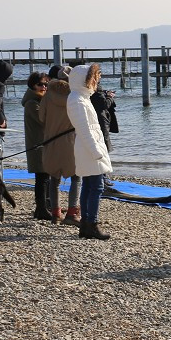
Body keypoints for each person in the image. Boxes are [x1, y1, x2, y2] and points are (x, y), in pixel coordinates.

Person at [66, 63, 112, 240]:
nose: (97, 79)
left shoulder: (82, 97)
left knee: (89, 185)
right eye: (95, 76)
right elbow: (84, 129)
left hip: (89, 148)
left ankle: (86, 224)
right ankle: (91, 223)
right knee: (96, 187)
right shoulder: (78, 99)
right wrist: (96, 152)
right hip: (89, 148)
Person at [40, 65, 81, 225]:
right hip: (72, 141)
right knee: (76, 178)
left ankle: (56, 213)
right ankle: (72, 212)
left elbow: (41, 117)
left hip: (51, 141)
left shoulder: (48, 95)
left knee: (54, 178)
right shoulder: (76, 96)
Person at [22, 71, 53, 220]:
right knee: (42, 178)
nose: (44, 87)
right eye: (40, 84)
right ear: (32, 85)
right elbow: (44, 120)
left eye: (46, 84)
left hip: (44, 144)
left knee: (46, 177)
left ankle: (45, 206)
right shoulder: (32, 103)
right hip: (37, 145)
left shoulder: (40, 100)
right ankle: (41, 209)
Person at [90, 81, 119, 190]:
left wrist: (105, 94)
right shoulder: (95, 89)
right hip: (100, 122)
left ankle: (102, 176)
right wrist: (110, 97)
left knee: (101, 149)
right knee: (103, 149)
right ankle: (103, 177)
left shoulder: (86, 89)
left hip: (97, 121)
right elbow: (103, 104)